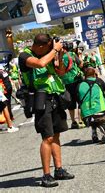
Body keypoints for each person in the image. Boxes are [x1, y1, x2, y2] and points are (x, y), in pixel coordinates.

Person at [18, 34, 74, 188]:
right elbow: (40, 64)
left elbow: (61, 72)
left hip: (55, 96)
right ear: (42, 46)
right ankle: (46, 175)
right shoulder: (24, 56)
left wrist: (60, 54)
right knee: (47, 137)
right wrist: (54, 50)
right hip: (40, 98)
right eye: (49, 47)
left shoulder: (48, 54)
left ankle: (59, 169)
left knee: (56, 134)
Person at [77, 67, 105, 144]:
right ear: (94, 74)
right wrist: (99, 79)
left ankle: (94, 131)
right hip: (101, 113)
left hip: (86, 117)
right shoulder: (98, 81)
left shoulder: (79, 85)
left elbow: (78, 101)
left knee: (93, 118)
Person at [60, 42, 85, 129]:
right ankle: (81, 120)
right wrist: (80, 56)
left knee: (71, 102)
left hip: (66, 82)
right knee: (80, 100)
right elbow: (81, 64)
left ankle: (73, 122)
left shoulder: (59, 57)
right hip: (76, 79)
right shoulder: (72, 54)